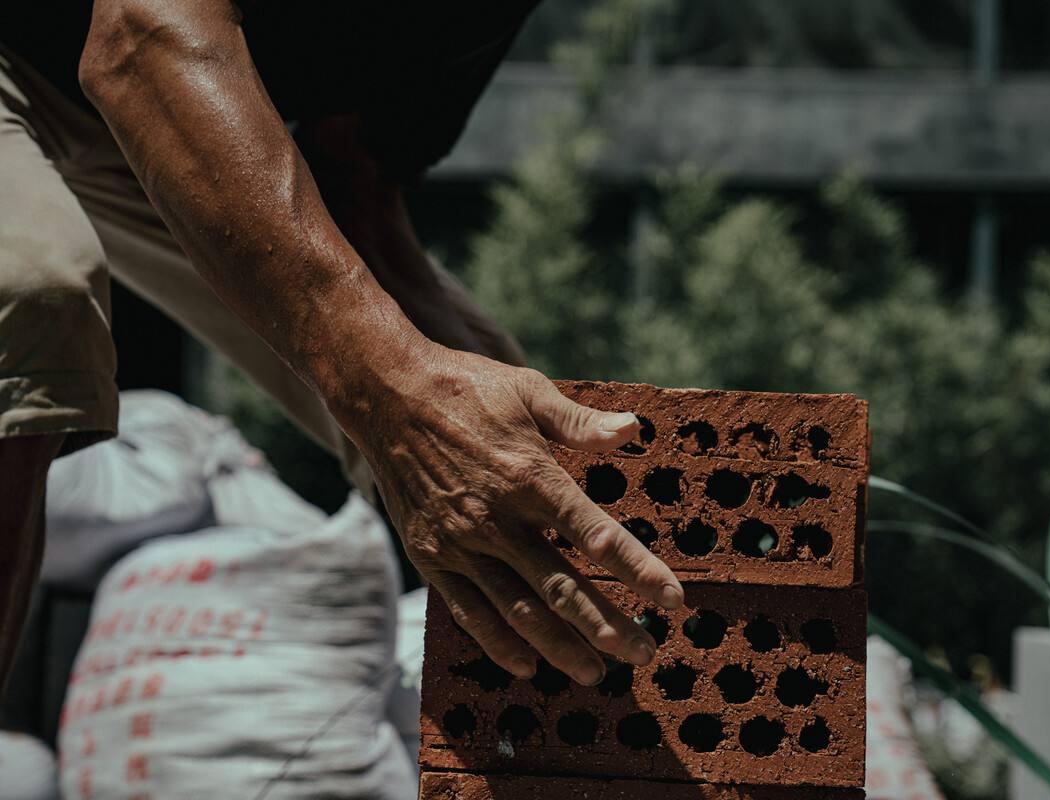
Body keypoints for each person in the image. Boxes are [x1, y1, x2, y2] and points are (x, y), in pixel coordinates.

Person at [0, 0, 684, 694]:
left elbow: (355, 173)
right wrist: (398, 398)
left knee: (511, 456)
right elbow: (139, 35)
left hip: (172, 99)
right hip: (123, 51)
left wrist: (470, 421)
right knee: (33, 287)